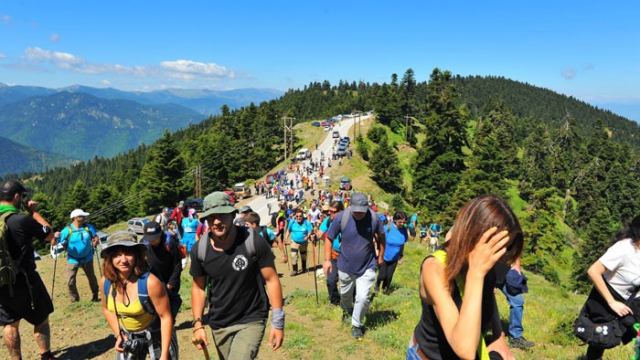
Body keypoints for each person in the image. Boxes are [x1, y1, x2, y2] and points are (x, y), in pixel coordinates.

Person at [407, 195, 521, 360]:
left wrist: (498, 336)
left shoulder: (486, 262)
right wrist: (476, 273)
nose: (500, 258)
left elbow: (488, 297)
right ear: (474, 237)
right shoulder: (435, 268)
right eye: (496, 247)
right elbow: (464, 349)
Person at [190, 192, 285, 360]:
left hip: (251, 318)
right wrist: (198, 325)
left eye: (221, 216)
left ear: (232, 215)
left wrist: (278, 322)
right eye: (211, 217)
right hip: (219, 323)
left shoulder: (252, 240)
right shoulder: (200, 250)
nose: (217, 221)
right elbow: (198, 288)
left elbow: (271, 279)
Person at [0, 180, 57, 360]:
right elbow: (49, 235)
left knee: (10, 324)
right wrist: (33, 212)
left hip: (1, 283)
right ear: (17, 196)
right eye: (22, 196)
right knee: (41, 318)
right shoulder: (22, 220)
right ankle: (45, 356)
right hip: (26, 280)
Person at [100, 231, 177, 360]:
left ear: (136, 256)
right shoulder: (106, 282)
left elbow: (166, 317)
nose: (123, 260)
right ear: (110, 258)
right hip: (128, 336)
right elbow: (107, 309)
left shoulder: (151, 283)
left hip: (157, 333)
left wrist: (164, 355)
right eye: (117, 255)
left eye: (128, 253)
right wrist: (118, 334)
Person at [323, 192, 385, 340]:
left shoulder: (374, 219)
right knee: (345, 295)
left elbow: (382, 238)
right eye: (355, 210)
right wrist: (326, 260)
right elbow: (329, 238)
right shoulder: (341, 217)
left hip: (367, 265)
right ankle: (347, 308)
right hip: (344, 265)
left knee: (363, 297)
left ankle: (356, 324)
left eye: (361, 211)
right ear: (350, 206)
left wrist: (381, 256)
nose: (358, 214)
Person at [582, 215, 640, 360]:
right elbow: (593, 271)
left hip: (634, 301)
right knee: (600, 339)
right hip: (609, 298)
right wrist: (612, 302)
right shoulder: (625, 248)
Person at [56, 208, 100, 302]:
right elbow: (55, 241)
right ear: (75, 218)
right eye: (82, 216)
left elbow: (96, 237)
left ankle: (95, 296)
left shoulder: (88, 227)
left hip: (88, 257)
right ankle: (75, 300)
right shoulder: (67, 230)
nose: (85, 217)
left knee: (92, 278)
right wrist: (55, 236)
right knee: (70, 281)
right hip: (73, 259)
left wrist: (96, 241)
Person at [142, 221, 183, 321]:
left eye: (155, 238)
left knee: (169, 308)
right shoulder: (144, 244)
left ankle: (170, 326)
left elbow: (177, 265)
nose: (152, 241)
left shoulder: (170, 243)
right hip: (154, 281)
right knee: (155, 310)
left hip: (169, 279)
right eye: (150, 239)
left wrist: (171, 283)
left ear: (160, 234)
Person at [495, 257, 534, 350]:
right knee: (485, 303)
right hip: (486, 272)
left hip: (505, 274)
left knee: (518, 301)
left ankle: (515, 337)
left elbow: (516, 249)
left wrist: (517, 266)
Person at [375, 211, 408, 295]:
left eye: (404, 222)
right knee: (382, 275)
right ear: (395, 220)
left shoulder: (404, 231)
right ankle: (377, 285)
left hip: (394, 258)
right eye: (400, 222)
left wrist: (401, 256)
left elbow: (402, 244)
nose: (402, 224)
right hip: (384, 256)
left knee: (389, 277)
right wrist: (377, 250)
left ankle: (385, 291)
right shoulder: (387, 228)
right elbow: (379, 239)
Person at [318, 201, 344, 306]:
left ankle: (350, 302)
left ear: (341, 211)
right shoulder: (328, 221)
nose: (330, 214)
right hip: (333, 255)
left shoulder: (348, 221)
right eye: (329, 211)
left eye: (333, 212)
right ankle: (334, 301)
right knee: (331, 280)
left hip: (347, 256)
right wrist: (320, 236)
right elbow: (320, 234)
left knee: (348, 281)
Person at [286, 208, 313, 276]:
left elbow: (310, 230)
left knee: (303, 255)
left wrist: (307, 236)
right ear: (295, 216)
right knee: (293, 255)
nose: (298, 217)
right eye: (297, 216)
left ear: (302, 216)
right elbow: (288, 230)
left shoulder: (307, 222)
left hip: (304, 242)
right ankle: (295, 270)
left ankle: (304, 268)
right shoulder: (292, 222)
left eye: (300, 216)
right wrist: (286, 238)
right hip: (294, 241)